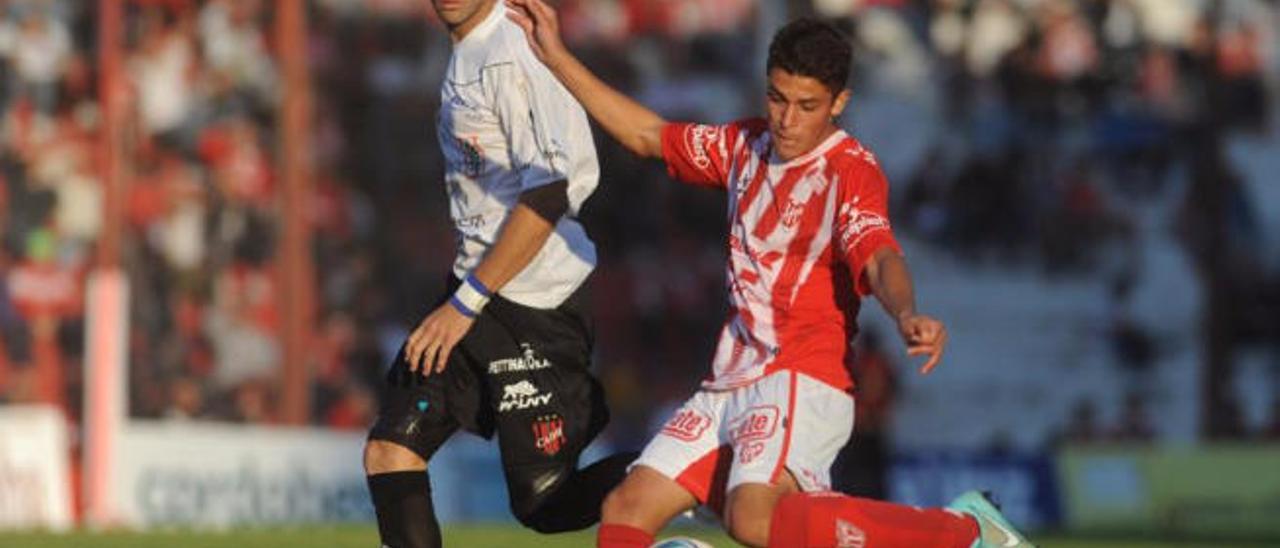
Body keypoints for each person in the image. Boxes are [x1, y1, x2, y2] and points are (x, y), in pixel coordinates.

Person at [506, 2, 1036, 547]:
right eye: (778, 98)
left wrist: (906, 311)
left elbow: (879, 255)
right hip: (730, 378)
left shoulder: (850, 170)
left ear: (839, 103)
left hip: (801, 376)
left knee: (753, 520)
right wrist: (556, 57)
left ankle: (965, 532)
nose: (787, 119)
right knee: (625, 506)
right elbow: (646, 134)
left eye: (807, 106)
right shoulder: (742, 147)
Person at [362, 1, 633, 546]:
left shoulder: (512, 52)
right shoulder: (473, 49)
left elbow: (549, 192)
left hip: (532, 302)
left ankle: (698, 469)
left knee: (546, 504)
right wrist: (467, 298)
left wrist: (464, 305)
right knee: (390, 450)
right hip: (477, 291)